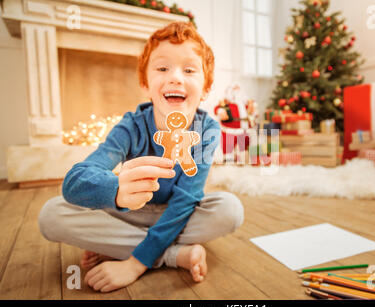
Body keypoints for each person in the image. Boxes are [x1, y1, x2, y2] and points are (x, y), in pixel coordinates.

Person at [38, 22, 244, 293]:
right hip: (127, 213)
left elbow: (186, 201)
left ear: (206, 87)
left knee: (230, 210)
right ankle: (173, 255)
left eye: (189, 70)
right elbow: (75, 181)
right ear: (146, 84)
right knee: (51, 215)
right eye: (162, 68)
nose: (176, 78)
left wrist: (132, 265)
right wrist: (116, 190)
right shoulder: (130, 127)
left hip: (178, 215)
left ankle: (123, 248)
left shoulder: (207, 130)